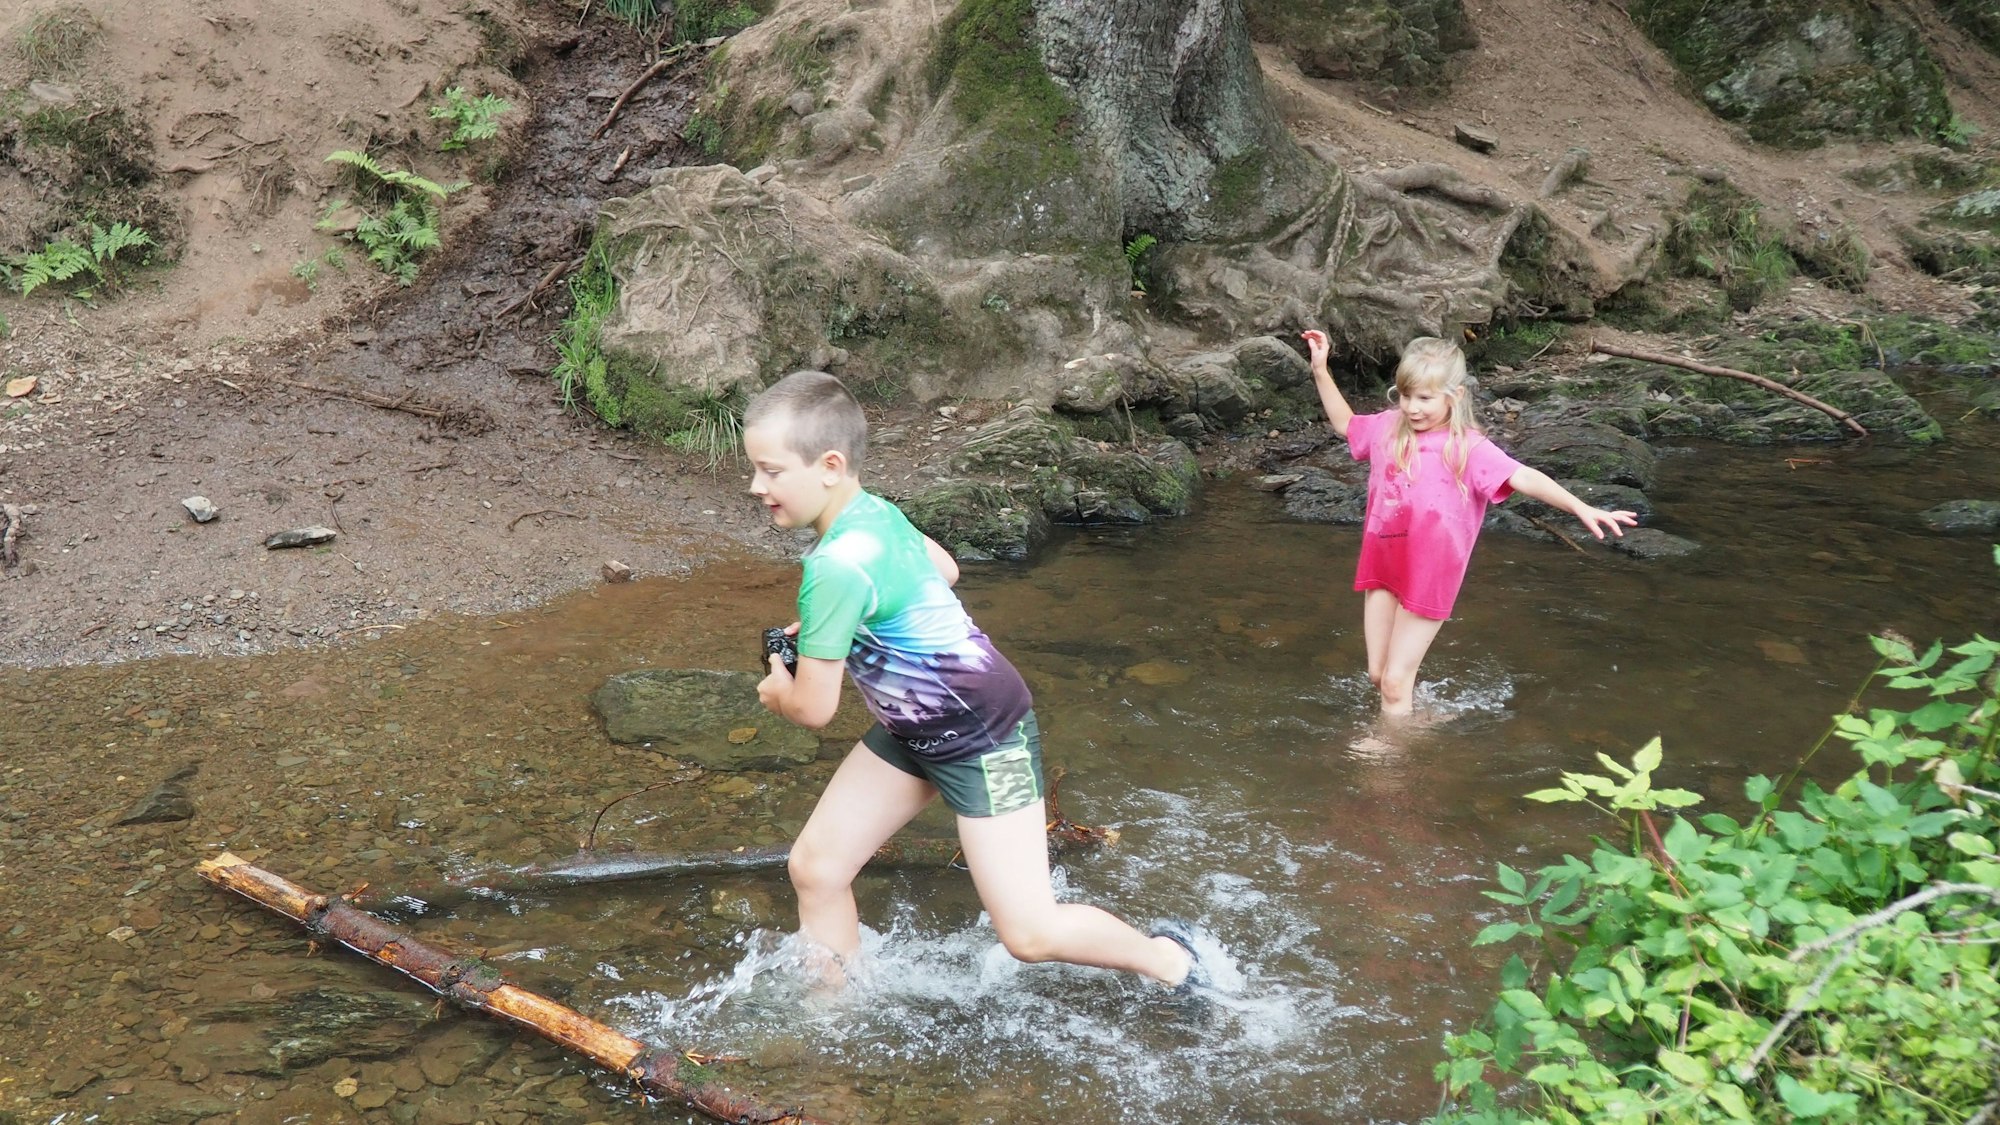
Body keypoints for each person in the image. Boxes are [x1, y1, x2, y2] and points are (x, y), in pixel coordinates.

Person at [742, 370, 1210, 992]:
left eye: (771, 471)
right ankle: (837, 1017)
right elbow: (946, 569)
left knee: (1029, 934)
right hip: (916, 728)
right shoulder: (873, 513)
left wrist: (778, 689)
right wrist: (849, 624)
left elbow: (814, 710)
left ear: (829, 464)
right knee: (818, 869)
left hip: (987, 737)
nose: (756, 486)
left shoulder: (834, 566)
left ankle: (1172, 962)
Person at [1302, 331, 1638, 718]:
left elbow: (1523, 477)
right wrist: (1320, 369)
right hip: (1383, 562)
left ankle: (1391, 769)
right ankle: (1423, 722)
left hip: (1431, 572)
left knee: (1395, 683)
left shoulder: (1466, 447)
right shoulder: (1387, 428)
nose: (1412, 408)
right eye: (1406, 395)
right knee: (1379, 676)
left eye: (1425, 398)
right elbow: (1347, 425)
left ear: (1455, 396)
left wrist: (1581, 507)